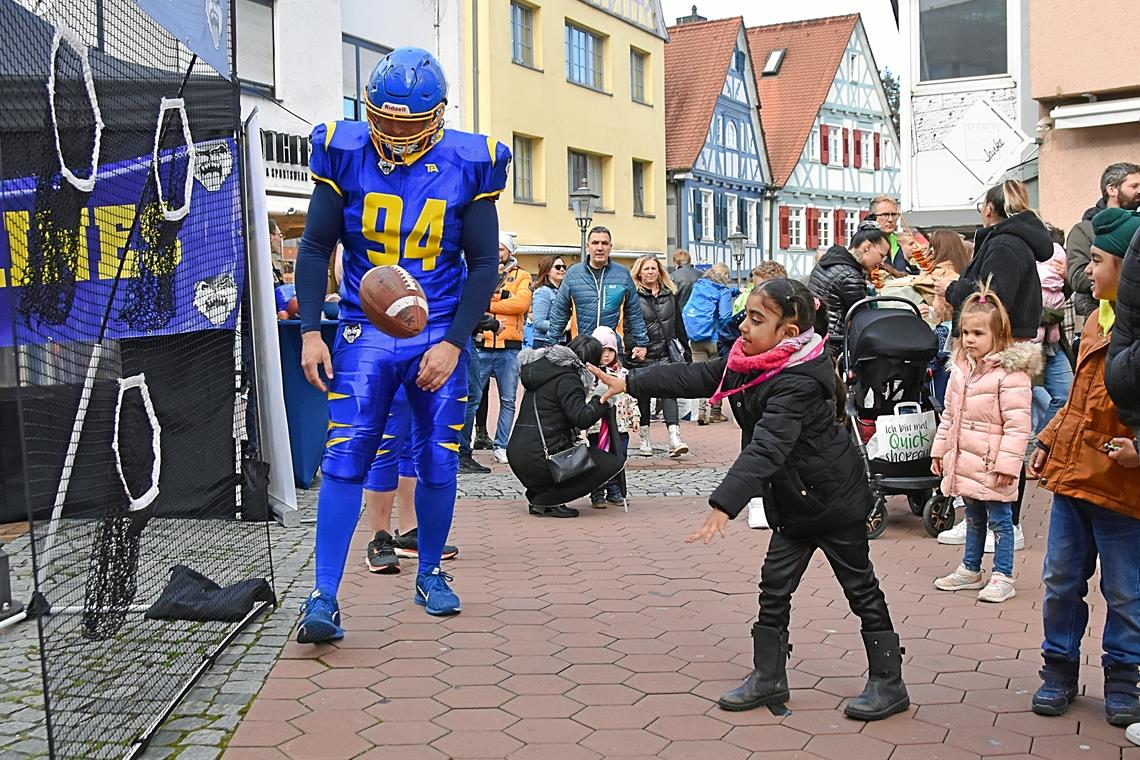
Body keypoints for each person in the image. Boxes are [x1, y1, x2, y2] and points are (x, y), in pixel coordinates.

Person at [590, 278, 906, 720]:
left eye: (757, 319)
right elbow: (698, 375)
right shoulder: (750, 359)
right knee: (774, 587)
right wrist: (629, 381)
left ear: (788, 334)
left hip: (833, 501)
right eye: (746, 315)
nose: (743, 326)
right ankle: (769, 677)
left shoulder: (799, 379)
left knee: (860, 589)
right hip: (795, 502)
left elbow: (768, 446)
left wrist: (724, 503)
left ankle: (889, 682)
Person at [292, 47, 508, 641]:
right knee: (344, 456)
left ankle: (431, 571)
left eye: (409, 124)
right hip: (365, 329)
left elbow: (484, 262)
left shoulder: (472, 160)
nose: (395, 135)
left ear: (437, 116)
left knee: (438, 458)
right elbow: (314, 248)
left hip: (437, 328)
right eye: (385, 121)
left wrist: (456, 343)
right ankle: (323, 597)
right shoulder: (344, 148)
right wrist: (311, 328)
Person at [1027, 207, 1140, 729]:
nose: (1087, 271)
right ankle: (1059, 669)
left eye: (1097, 261)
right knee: (1061, 579)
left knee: (1125, 590)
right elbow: (1077, 398)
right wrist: (1048, 439)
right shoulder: (1097, 319)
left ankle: (1123, 676)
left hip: (1123, 489)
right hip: (1074, 478)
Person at [936, 179, 1051, 547]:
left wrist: (953, 289)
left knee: (999, 434)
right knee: (977, 432)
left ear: (990, 209)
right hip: (999, 343)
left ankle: (1005, 524)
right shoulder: (1010, 240)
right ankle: (978, 517)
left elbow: (989, 300)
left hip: (1000, 347)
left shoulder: (1004, 243)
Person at [931, 287, 1037, 604]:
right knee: (974, 518)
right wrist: (940, 449)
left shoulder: (1011, 374)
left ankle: (1003, 575)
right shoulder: (961, 371)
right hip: (966, 459)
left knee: (1001, 522)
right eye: (965, 333)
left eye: (978, 332)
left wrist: (1008, 466)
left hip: (993, 462)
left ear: (998, 334)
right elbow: (949, 415)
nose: (970, 339)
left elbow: (1019, 426)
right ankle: (970, 568)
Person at [507, 335, 625, 518]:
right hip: (541, 458)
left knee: (574, 452)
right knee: (608, 463)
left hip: (518, 452)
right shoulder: (568, 379)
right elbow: (582, 418)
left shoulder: (544, 371)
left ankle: (539, 499)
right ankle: (551, 499)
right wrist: (601, 398)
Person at [362, 390, 460, 574]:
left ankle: (409, 532)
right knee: (386, 441)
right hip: (385, 364)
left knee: (412, 444)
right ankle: (380, 538)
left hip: (422, 366)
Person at [459, 232, 532, 467]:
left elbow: (521, 303)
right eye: (495, 248)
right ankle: (465, 446)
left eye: (501, 248)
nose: (497, 252)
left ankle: (501, 445)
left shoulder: (522, 275)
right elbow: (473, 300)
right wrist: (498, 303)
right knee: (473, 397)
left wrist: (490, 303)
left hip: (509, 345)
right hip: (481, 343)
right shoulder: (482, 271)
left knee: (508, 399)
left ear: (510, 251)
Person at [545, 226, 649, 359]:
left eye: (604, 243)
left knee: (612, 380)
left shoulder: (622, 274)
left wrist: (641, 342)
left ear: (610, 247)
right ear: (588, 246)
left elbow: (634, 312)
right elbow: (560, 311)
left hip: (612, 350)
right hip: (581, 349)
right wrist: (551, 344)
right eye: (595, 243)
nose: (600, 248)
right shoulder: (573, 274)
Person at [627, 255, 689, 457]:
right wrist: (633, 347)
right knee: (643, 396)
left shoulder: (669, 294)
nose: (650, 272)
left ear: (660, 271)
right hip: (644, 353)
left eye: (654, 268)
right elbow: (627, 326)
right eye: (646, 269)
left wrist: (685, 350)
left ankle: (675, 438)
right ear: (639, 272)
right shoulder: (633, 296)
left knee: (668, 392)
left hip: (666, 352)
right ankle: (645, 438)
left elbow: (679, 324)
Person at [1066, 163, 1140, 331]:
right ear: (1112, 189)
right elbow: (1077, 277)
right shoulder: (1085, 230)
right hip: (1102, 321)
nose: (1139, 191)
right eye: (1134, 186)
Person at [809, 221, 888, 355]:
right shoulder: (850, 275)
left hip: (816, 338)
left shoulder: (831, 261)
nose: (881, 262)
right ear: (867, 247)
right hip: (834, 344)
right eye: (881, 255)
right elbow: (864, 319)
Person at [586, 326, 636, 508]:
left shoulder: (623, 374)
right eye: (601, 351)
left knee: (619, 457)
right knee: (598, 458)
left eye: (610, 350)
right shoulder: (590, 375)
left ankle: (615, 490)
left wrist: (634, 416)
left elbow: (630, 397)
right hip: (597, 426)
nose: (606, 355)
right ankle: (597, 491)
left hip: (620, 425)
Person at [682, 262, 737, 425]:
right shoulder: (723, 290)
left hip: (696, 339)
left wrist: (737, 291)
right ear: (725, 276)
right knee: (716, 376)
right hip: (714, 340)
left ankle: (701, 412)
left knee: (700, 376)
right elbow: (726, 316)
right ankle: (715, 412)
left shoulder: (699, 287)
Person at [1031, 227, 1073, 433]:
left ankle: (1043, 441)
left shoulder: (1055, 261)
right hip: (1026, 344)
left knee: (1066, 395)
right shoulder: (1021, 259)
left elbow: (1062, 297)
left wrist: (1066, 277)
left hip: (1053, 344)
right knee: (1024, 396)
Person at [719, 262, 789, 358]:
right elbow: (724, 338)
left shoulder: (789, 318)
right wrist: (736, 361)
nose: (757, 294)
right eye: (755, 288)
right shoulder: (743, 316)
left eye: (764, 289)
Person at [529, 254, 569, 348]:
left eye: (564, 267)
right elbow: (539, 322)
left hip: (561, 342)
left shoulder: (563, 292)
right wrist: (564, 326)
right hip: (544, 343)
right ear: (547, 271)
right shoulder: (542, 291)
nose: (562, 270)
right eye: (558, 267)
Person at [868, 196, 904, 271]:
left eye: (894, 215)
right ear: (873, 218)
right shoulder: (864, 242)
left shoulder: (895, 242)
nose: (890, 219)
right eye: (885, 215)